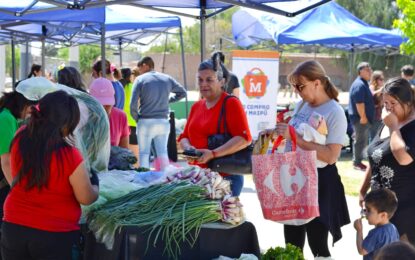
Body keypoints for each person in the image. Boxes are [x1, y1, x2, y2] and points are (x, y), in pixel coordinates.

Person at [1, 90, 99, 260]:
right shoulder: (69, 155)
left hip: (14, 226)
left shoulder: (20, 137)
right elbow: (86, 197)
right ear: (67, 123)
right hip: (54, 234)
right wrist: (95, 185)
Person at [273, 60, 350, 257]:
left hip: (319, 182)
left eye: (301, 86)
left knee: (318, 244)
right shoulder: (302, 105)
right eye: (294, 86)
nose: (297, 91)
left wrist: (296, 139)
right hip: (295, 179)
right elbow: (292, 139)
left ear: (317, 83)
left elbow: (331, 156)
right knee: (292, 242)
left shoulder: (335, 112)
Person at [178, 56, 252, 196]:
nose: (203, 84)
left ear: (222, 81)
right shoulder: (197, 106)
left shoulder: (231, 103)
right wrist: (189, 149)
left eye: (209, 79)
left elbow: (244, 138)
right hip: (199, 176)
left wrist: (212, 154)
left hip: (224, 178)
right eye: (200, 79)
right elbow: (184, 136)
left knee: (223, 216)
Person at [359, 77, 415, 246]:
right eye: (385, 104)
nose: (388, 109)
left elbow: (403, 157)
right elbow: (375, 157)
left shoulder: (404, 126)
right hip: (382, 209)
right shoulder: (388, 122)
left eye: (393, 103)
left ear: (409, 103)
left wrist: (393, 127)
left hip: (405, 209)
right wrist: (363, 190)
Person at [130, 56, 186, 170]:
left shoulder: (140, 80)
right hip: (163, 122)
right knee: (162, 153)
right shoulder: (167, 78)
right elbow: (182, 93)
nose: (139, 71)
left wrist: (137, 119)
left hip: (145, 121)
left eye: (140, 68)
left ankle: (144, 181)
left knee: (144, 154)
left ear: (145, 65)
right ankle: (164, 179)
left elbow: (133, 104)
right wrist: (167, 101)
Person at [0, 91, 35, 229]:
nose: (31, 113)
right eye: (31, 108)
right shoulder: (6, 118)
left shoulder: (8, 117)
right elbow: (6, 161)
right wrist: (18, 194)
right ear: (24, 104)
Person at [354, 188, 400, 260]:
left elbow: (362, 250)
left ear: (383, 215)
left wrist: (359, 231)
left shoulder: (376, 233)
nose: (365, 213)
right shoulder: (393, 228)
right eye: (365, 210)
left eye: (368, 210)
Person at [348, 62, 374, 171]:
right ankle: (357, 162)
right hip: (360, 119)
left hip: (362, 118)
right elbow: (359, 103)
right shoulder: (359, 84)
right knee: (360, 141)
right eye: (367, 70)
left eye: (370, 69)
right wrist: (363, 116)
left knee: (362, 140)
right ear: (360, 71)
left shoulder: (364, 83)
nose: (370, 72)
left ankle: (358, 161)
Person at [90, 78, 129, 149]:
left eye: (108, 105)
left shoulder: (121, 117)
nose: (104, 109)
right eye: (100, 105)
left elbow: (124, 152)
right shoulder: (83, 117)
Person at [120, 68, 139, 165]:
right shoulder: (133, 87)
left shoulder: (119, 87)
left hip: (121, 123)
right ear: (130, 76)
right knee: (135, 154)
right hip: (132, 122)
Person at [369, 71, 385, 142]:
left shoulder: (382, 88)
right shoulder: (372, 87)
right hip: (374, 116)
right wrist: (380, 90)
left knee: (380, 136)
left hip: (382, 116)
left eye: (383, 79)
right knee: (373, 136)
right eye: (380, 79)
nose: (382, 81)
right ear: (375, 79)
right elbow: (372, 94)